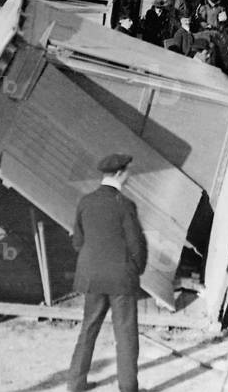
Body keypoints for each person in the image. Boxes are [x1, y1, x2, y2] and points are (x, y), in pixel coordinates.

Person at [67, 153, 147, 392]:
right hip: (121, 279)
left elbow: (77, 241)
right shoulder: (124, 205)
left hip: (92, 278)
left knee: (88, 329)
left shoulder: (85, 201)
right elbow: (137, 246)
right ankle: (128, 388)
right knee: (125, 335)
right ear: (121, 173)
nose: (129, 175)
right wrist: (137, 270)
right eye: (128, 171)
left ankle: (75, 385)